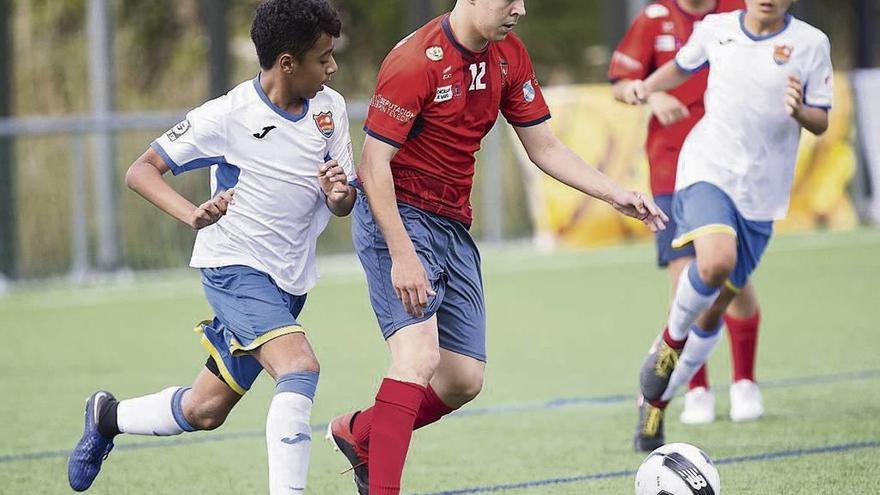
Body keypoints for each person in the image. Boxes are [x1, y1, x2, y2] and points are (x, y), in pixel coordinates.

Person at [325, 1, 667, 494]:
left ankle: (360, 435)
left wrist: (614, 193)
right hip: (397, 216)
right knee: (417, 360)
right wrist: (402, 255)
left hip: (452, 224)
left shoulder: (509, 55)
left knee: (462, 380)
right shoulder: (415, 60)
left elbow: (544, 146)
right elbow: (373, 166)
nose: (521, 9)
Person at [66, 1, 355, 492]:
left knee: (205, 410)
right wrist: (191, 215)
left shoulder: (331, 109)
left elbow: (344, 200)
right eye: (323, 57)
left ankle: (107, 417)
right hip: (234, 269)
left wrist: (339, 192)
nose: (332, 67)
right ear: (287, 62)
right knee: (299, 365)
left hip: (288, 280)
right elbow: (141, 170)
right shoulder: (228, 114)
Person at [619, 0, 831, 451]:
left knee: (716, 307)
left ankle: (656, 406)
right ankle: (670, 345)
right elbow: (678, 67)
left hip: (762, 193)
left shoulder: (812, 44)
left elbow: (821, 118)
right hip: (706, 168)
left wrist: (799, 111)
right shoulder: (716, 28)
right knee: (714, 262)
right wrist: (646, 89)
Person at [610, 0, 765, 431]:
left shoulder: (741, 11)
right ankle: (696, 388)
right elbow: (621, 84)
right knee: (686, 276)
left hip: (731, 164)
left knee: (732, 273)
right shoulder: (653, 18)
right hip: (672, 164)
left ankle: (745, 382)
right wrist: (651, 93)